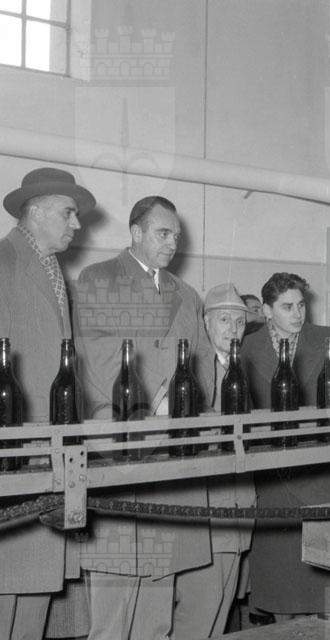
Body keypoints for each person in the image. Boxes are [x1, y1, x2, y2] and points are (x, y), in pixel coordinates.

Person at [73, 195, 218, 639]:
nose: (173, 242)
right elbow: (93, 355)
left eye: (176, 235)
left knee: (158, 599)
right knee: (114, 600)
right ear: (136, 232)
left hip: (172, 453)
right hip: (119, 448)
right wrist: (157, 396)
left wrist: (185, 403)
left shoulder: (187, 295)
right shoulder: (98, 279)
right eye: (163, 232)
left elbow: (204, 364)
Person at [241, 272, 330, 619]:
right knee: (282, 570)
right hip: (271, 468)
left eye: (301, 305)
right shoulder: (249, 346)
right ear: (267, 310)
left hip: (324, 462)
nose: (298, 314)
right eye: (287, 307)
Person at [0, 167, 95, 639]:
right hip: (17, 452)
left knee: (35, 586)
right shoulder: (4, 262)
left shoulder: (53, 270)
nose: (76, 224)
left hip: (51, 449)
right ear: (35, 211)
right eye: (68, 212)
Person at [203, 283, 256, 632]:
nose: (233, 329)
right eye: (224, 320)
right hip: (211, 510)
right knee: (204, 612)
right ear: (206, 323)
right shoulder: (198, 369)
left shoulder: (241, 367)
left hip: (240, 505)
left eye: (239, 322)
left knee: (224, 608)